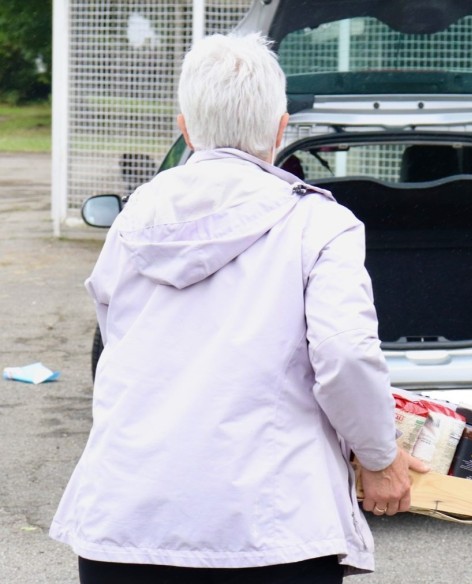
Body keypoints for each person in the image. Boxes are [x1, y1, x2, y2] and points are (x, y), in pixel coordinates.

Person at [50, 33, 427, 583]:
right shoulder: (320, 224)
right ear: (280, 128)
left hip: (125, 524)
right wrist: (379, 456)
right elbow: (344, 355)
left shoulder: (133, 221)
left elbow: (116, 338)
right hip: (271, 535)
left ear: (185, 129)